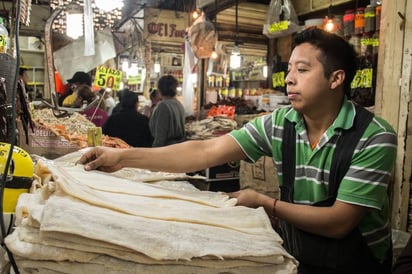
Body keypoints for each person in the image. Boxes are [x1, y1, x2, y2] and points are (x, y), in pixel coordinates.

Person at [77, 28, 397, 274]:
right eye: (290, 69)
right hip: (299, 258)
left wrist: (264, 202)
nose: (290, 79)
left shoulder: (374, 137)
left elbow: (340, 221)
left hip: (358, 264)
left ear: (336, 78)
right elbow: (205, 151)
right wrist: (123, 157)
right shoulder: (280, 123)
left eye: (303, 70)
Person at [149, 75, 186, 147]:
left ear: (159, 89)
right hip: (178, 147)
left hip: (166, 149)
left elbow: (160, 137)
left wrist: (153, 153)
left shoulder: (163, 106)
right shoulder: (178, 104)